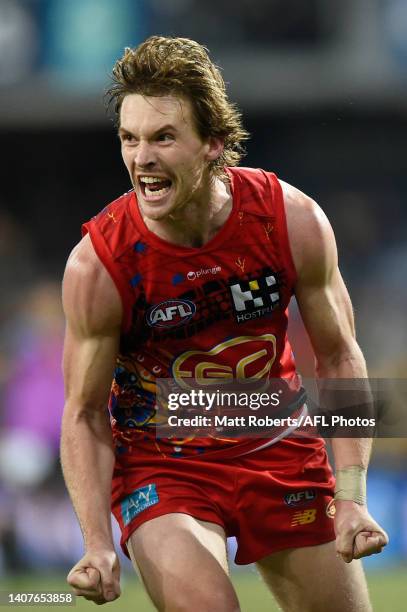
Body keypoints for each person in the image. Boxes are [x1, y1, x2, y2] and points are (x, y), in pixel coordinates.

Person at [61, 36, 388, 611]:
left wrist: (353, 494)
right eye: (129, 139)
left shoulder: (289, 220)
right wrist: (97, 543)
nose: (142, 158)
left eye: (163, 137)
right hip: (165, 466)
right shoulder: (99, 265)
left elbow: (339, 356)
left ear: (213, 143)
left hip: (280, 446)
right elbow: (84, 412)